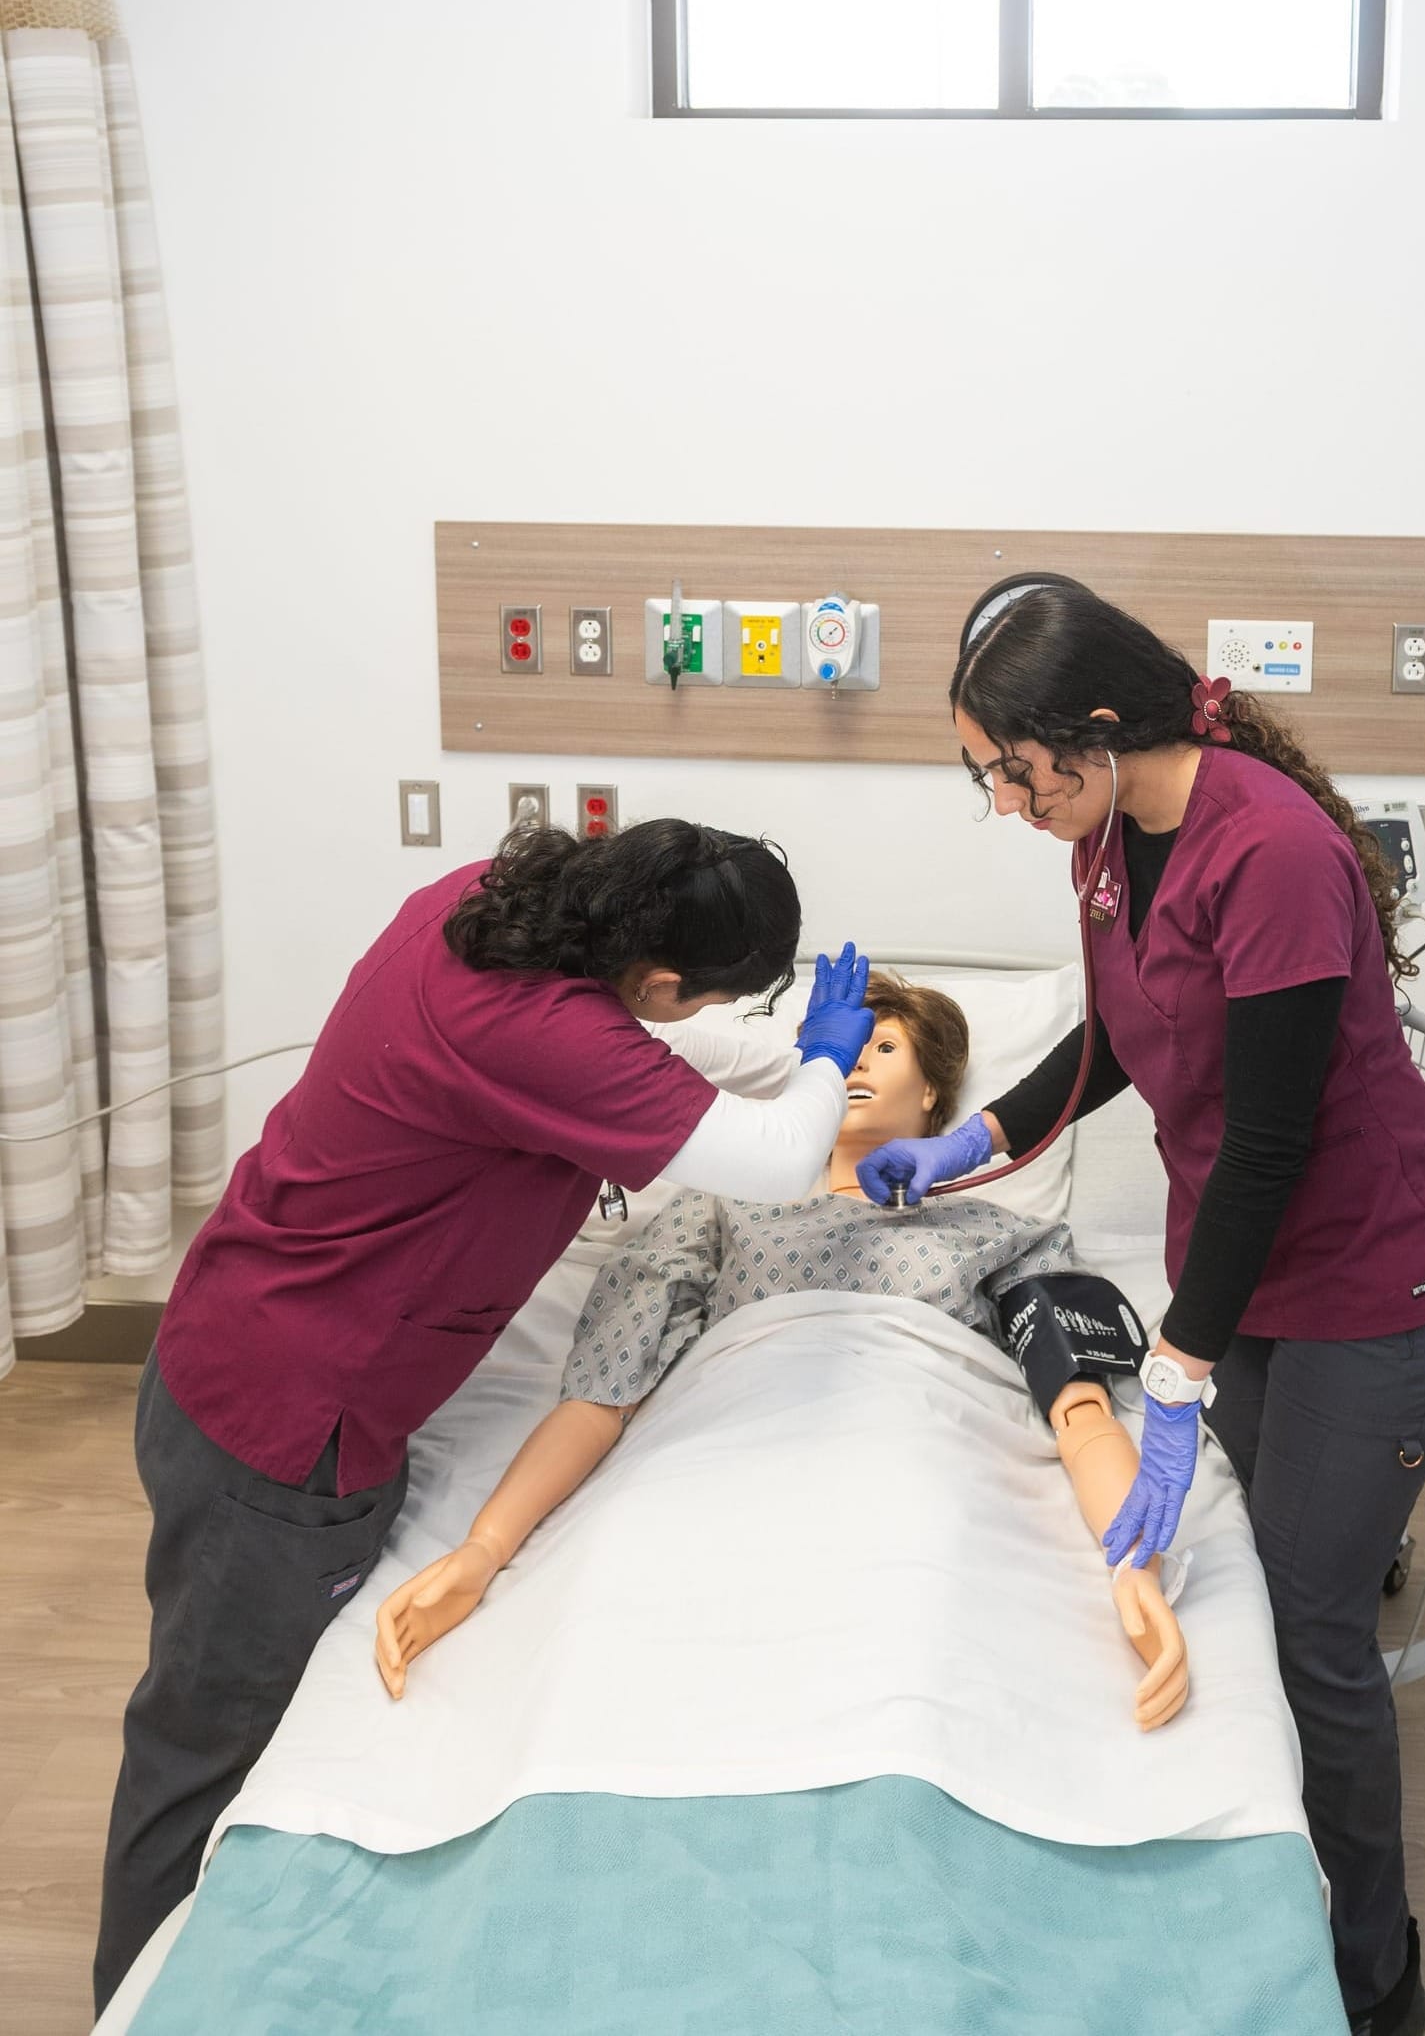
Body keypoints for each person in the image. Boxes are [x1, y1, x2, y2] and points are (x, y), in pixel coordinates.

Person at [93, 819, 877, 2013]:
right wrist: (820, 1062)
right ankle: (142, 1999)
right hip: (287, 1418)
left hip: (231, 1326)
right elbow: (774, 1160)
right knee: (209, 1748)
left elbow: (668, 1045)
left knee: (218, 1719)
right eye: (683, 1000)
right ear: (652, 978)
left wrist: (785, 1054)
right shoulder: (540, 1035)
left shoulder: (487, 902)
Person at [858, 577, 1425, 2036]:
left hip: (1377, 1280)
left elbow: (1271, 1136)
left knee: (1315, 1625)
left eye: (1011, 770)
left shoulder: (1267, 847)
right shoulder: (1108, 837)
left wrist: (1178, 1370)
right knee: (1261, 1585)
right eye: (987, 777)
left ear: (1089, 731)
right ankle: (1274, 1878)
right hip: (1259, 1265)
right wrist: (978, 1137)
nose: (1007, 800)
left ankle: (1376, 1971)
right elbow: (1124, 1033)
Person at [372, 971, 1188, 1730]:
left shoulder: (1001, 1234)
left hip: (908, 1463)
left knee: (911, 1623)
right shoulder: (724, 1211)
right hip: (726, 1454)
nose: (858, 1061)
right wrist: (486, 1546)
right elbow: (604, 1393)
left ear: (934, 1089)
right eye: (847, 1047)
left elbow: (1078, 1411)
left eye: (886, 1046)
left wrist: (1134, 1566)